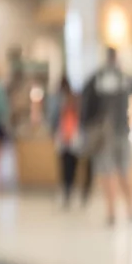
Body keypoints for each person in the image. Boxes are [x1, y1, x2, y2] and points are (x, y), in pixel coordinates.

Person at [81, 47, 132, 225]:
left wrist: (87, 129)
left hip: (104, 134)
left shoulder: (96, 78)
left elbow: (85, 106)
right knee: (124, 171)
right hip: (121, 131)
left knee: (107, 173)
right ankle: (130, 209)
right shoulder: (125, 77)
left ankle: (111, 212)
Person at [48, 77, 93, 208]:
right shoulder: (61, 110)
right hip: (65, 142)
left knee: (73, 168)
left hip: (75, 142)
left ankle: (75, 191)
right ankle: (67, 191)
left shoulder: (79, 113)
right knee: (66, 169)